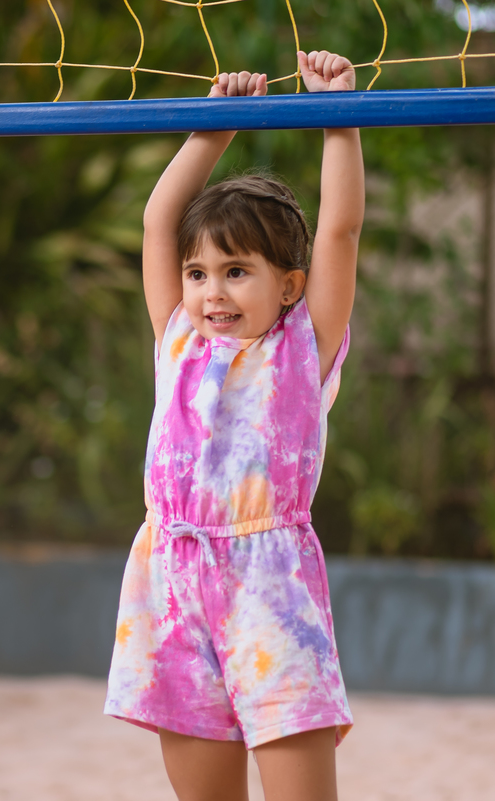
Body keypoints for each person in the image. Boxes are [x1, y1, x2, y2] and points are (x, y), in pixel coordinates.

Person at [104, 51, 363, 801]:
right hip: (170, 584)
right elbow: (159, 224)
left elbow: (340, 231)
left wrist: (337, 116)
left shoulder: (303, 345)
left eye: (236, 271)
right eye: (198, 274)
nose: (212, 292)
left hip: (269, 586)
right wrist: (213, 131)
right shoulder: (177, 339)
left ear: (289, 286)